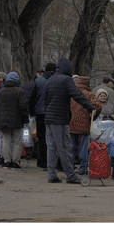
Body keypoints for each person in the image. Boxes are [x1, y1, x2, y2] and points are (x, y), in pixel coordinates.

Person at [43, 56, 101, 184]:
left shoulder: (50, 79)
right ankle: (71, 176)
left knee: (51, 148)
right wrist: (90, 107)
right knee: (64, 147)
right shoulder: (66, 80)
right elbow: (77, 94)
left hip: (49, 119)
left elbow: (45, 100)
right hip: (60, 119)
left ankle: (52, 175)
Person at [69, 75, 101, 175]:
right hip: (84, 125)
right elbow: (98, 106)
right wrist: (92, 118)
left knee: (71, 147)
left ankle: (70, 168)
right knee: (83, 147)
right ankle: (82, 168)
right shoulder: (90, 95)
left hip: (71, 124)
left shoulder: (72, 93)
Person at [0, 71, 29, 169]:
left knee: (6, 140)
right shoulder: (20, 91)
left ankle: (6, 161)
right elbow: (23, 107)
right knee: (17, 141)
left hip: (3, 120)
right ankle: (15, 162)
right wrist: (25, 120)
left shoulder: (1, 91)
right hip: (17, 120)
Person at [28, 67, 48, 168]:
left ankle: (41, 160)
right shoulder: (49, 81)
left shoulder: (37, 83)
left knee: (41, 137)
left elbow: (31, 98)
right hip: (48, 113)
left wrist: (32, 112)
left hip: (39, 113)